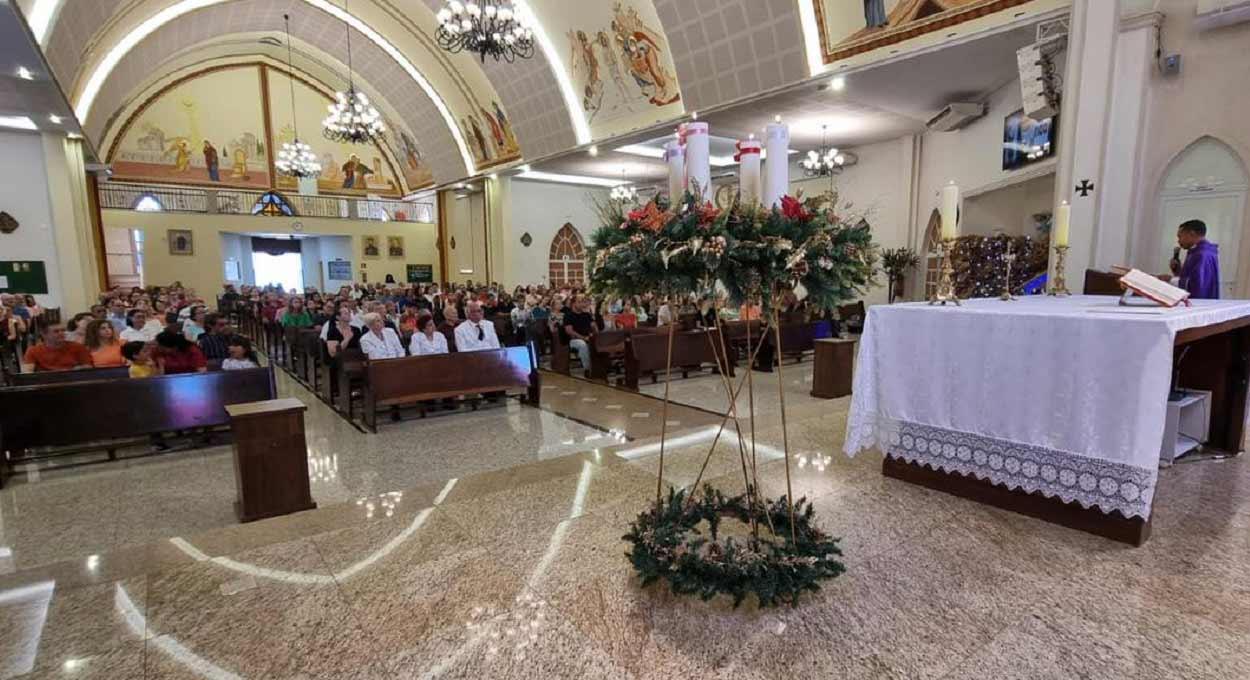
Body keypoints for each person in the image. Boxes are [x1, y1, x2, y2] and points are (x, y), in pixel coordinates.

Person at [1169, 219, 1221, 299]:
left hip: (1201, 304)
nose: (1178, 241)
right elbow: (1194, 279)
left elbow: (1198, 286)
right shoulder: (1198, 251)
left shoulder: (1202, 254)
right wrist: (1178, 272)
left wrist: (1170, 280)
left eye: (1180, 236)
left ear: (1191, 234)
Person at [22, 322, 92, 372]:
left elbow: (88, 367)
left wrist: (77, 369)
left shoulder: (78, 347)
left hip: (71, 380)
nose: (61, 333)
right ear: (44, 334)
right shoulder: (33, 350)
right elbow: (27, 372)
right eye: (56, 331)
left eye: (63, 330)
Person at [562, 296, 596, 370]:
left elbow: (594, 327)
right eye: (579, 302)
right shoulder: (568, 315)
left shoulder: (586, 315)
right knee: (582, 344)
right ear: (573, 304)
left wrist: (594, 334)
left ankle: (599, 368)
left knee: (601, 342)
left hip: (588, 337)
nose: (582, 304)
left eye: (583, 302)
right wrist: (583, 338)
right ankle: (588, 369)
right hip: (573, 340)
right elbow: (569, 331)